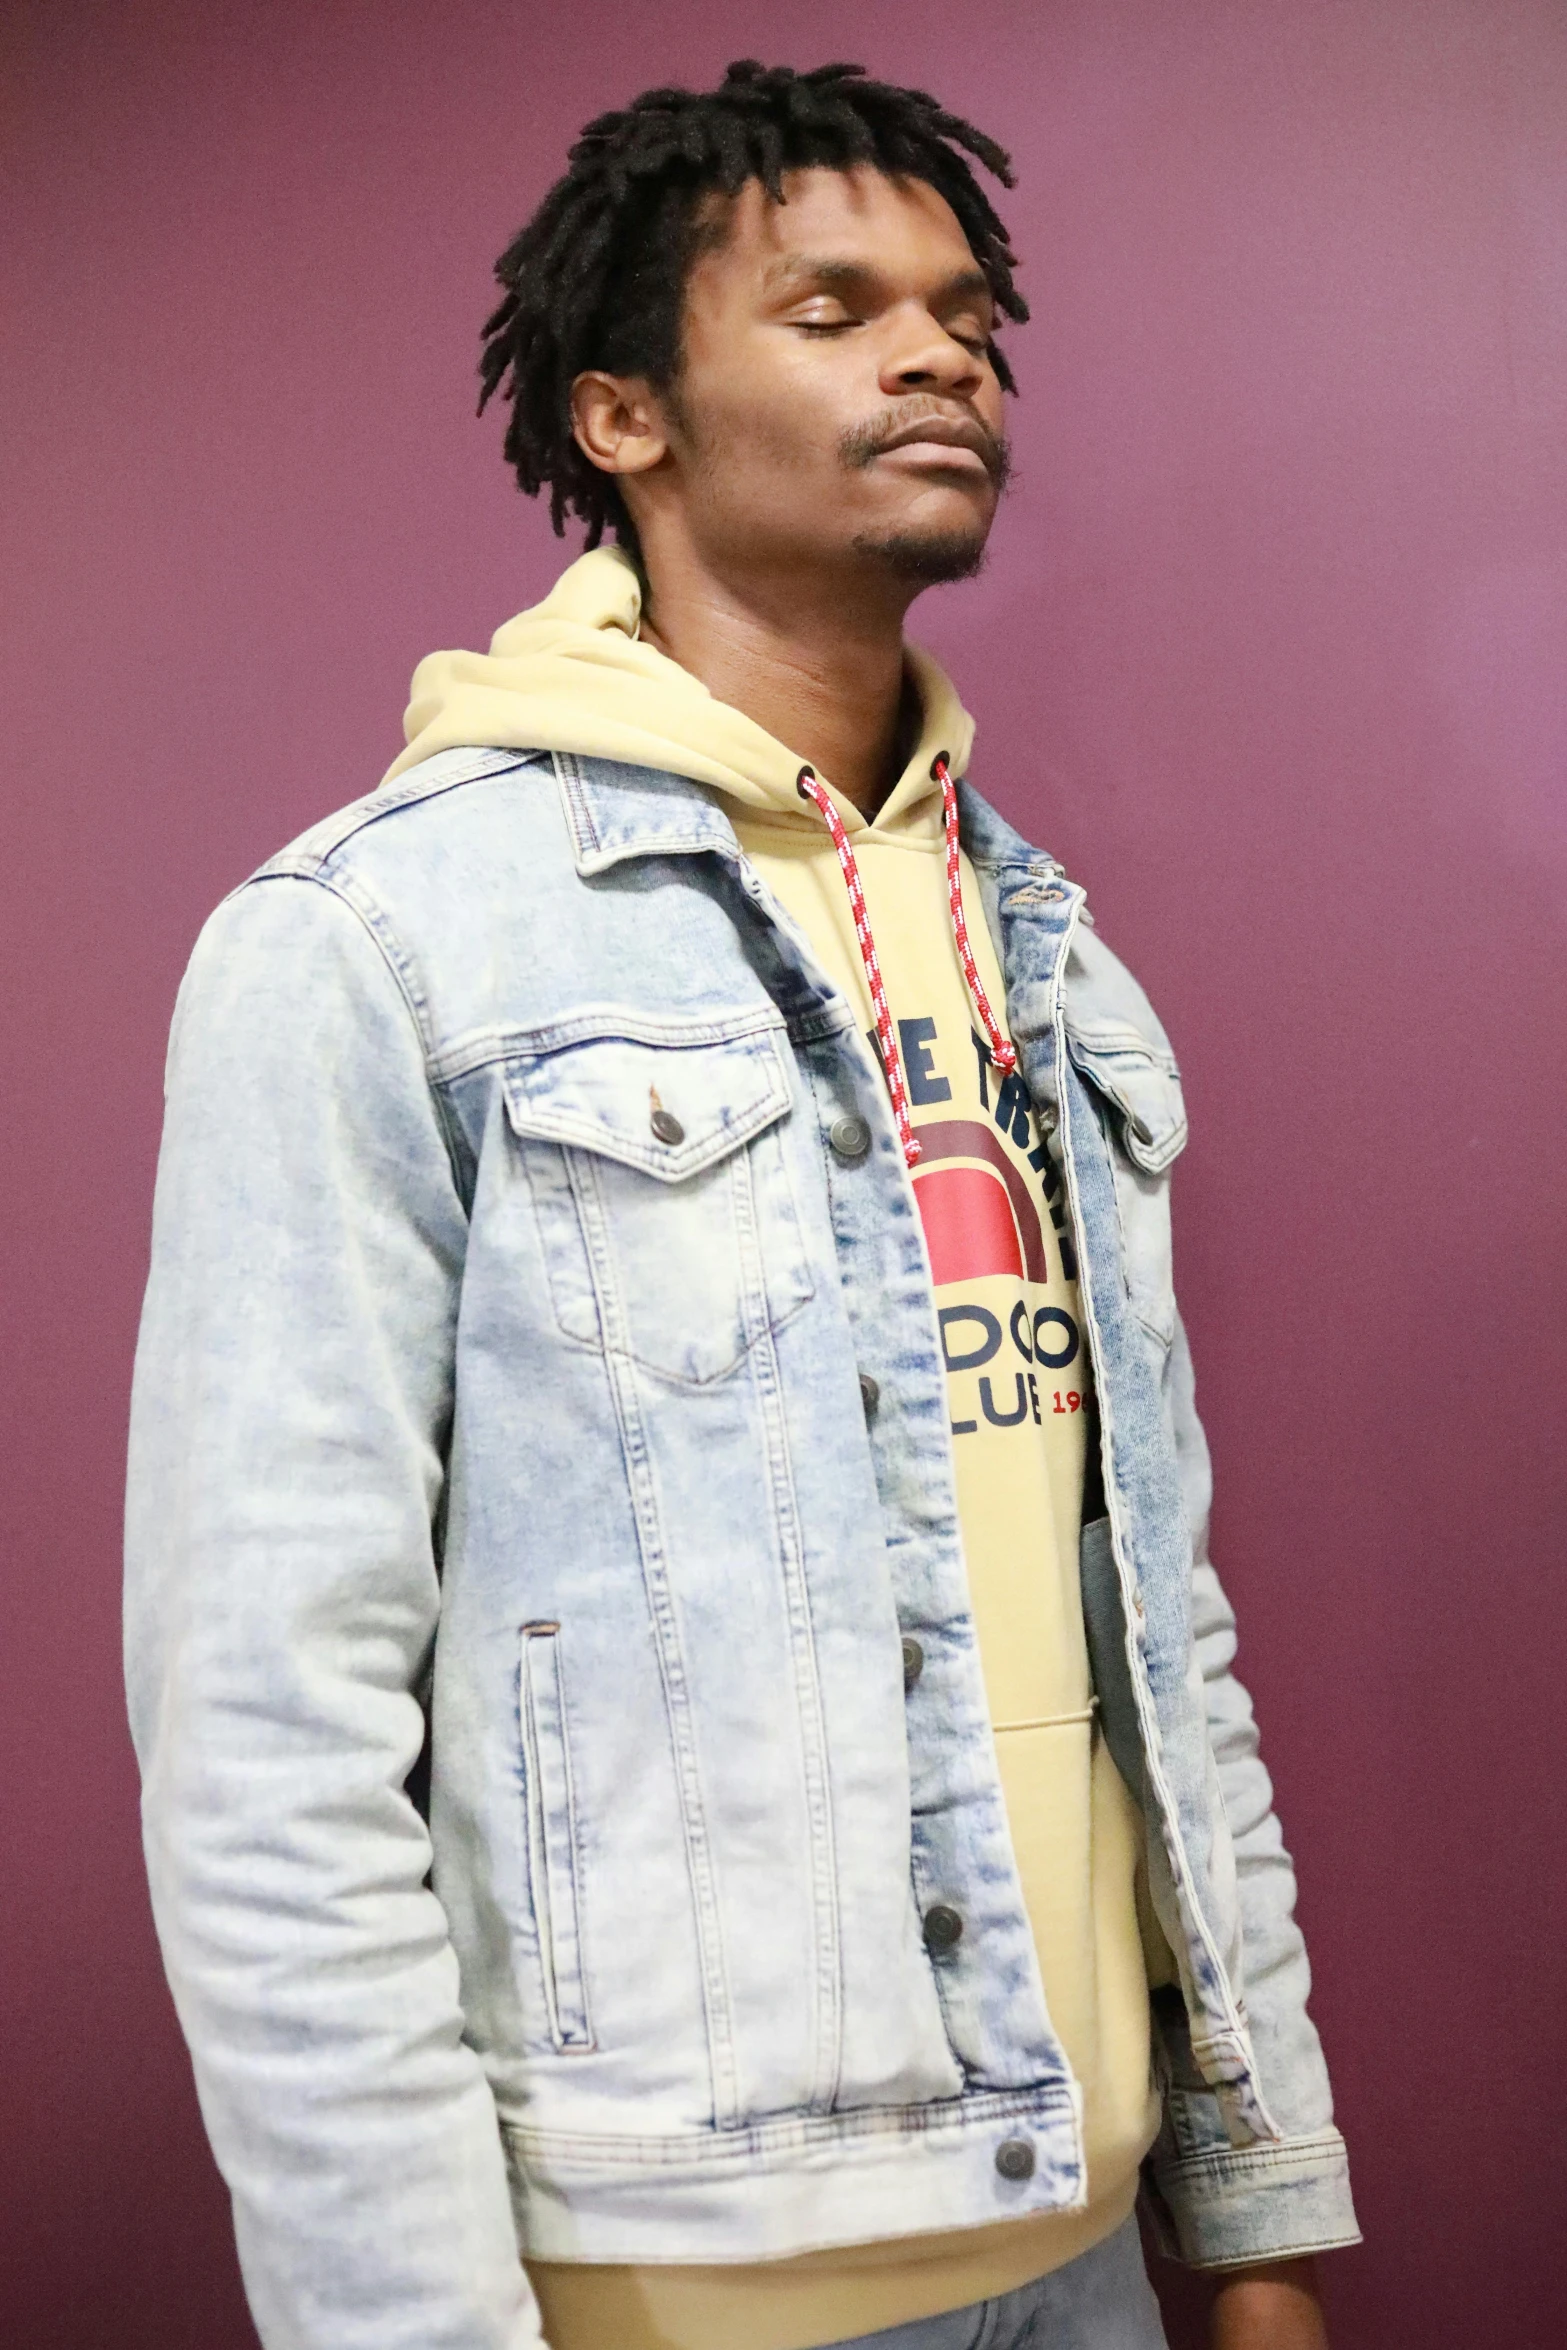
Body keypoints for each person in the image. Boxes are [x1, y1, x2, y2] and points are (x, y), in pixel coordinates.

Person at [125, 59, 1358, 2350]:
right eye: (837, 305)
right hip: (678, 2282)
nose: (940, 354)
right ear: (622, 415)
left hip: (1081, 2253)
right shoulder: (372, 945)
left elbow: (1152, 1632)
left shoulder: (1051, 963)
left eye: (971, 315)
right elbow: (268, 1745)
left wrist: (1253, 2199)